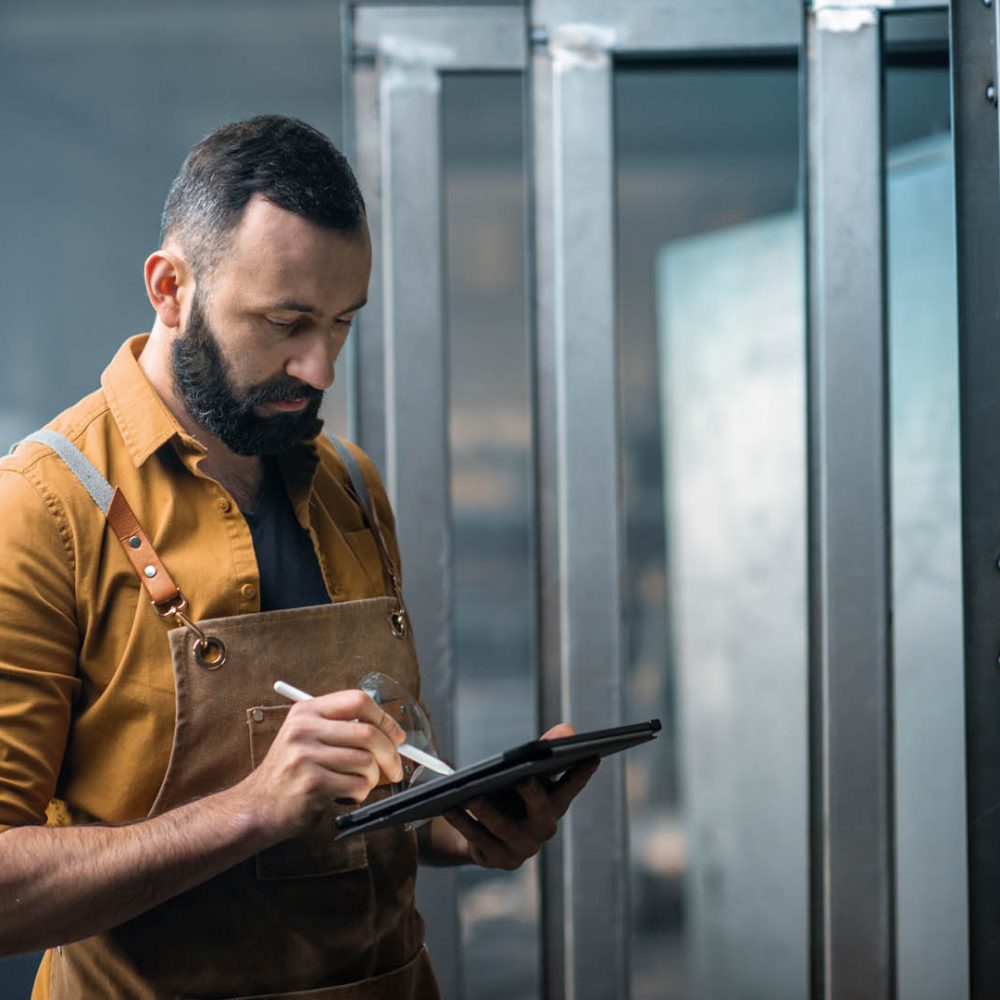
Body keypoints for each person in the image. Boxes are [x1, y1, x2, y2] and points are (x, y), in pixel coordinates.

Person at [0, 115, 598, 999]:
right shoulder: (39, 509)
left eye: (341, 324)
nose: (320, 369)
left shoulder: (350, 486)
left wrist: (461, 825)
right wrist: (252, 810)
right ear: (170, 288)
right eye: (285, 323)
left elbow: (370, 792)